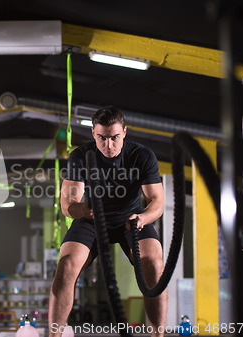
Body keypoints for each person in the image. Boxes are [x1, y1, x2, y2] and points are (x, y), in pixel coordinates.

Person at [48, 106, 166, 337]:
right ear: (93, 133)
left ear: (124, 132)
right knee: (67, 265)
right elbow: (67, 205)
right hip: (91, 218)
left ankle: (158, 336)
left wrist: (142, 217)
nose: (108, 145)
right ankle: (53, 335)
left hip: (131, 220)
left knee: (154, 265)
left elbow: (157, 201)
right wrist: (82, 208)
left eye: (115, 138)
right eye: (102, 138)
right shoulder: (81, 157)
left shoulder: (142, 156)